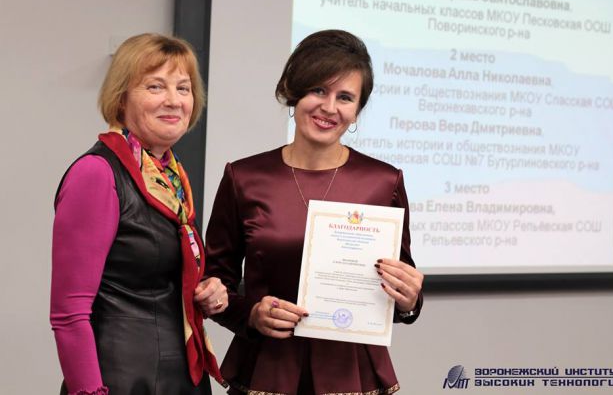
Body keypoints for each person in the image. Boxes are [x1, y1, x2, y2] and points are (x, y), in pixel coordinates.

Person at [204, 29, 424, 395]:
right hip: (267, 370)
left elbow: (400, 291)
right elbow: (215, 284)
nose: (329, 107)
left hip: (353, 375)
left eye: (345, 97)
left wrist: (410, 300)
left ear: (357, 111)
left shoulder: (384, 181)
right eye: (318, 90)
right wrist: (252, 315)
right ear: (293, 91)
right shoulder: (244, 177)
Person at [50, 33, 228, 395]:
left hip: (182, 380)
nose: (174, 100)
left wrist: (208, 290)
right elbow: (69, 314)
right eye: (155, 86)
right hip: (120, 381)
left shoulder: (169, 176)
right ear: (121, 97)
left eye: (183, 88)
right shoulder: (97, 173)